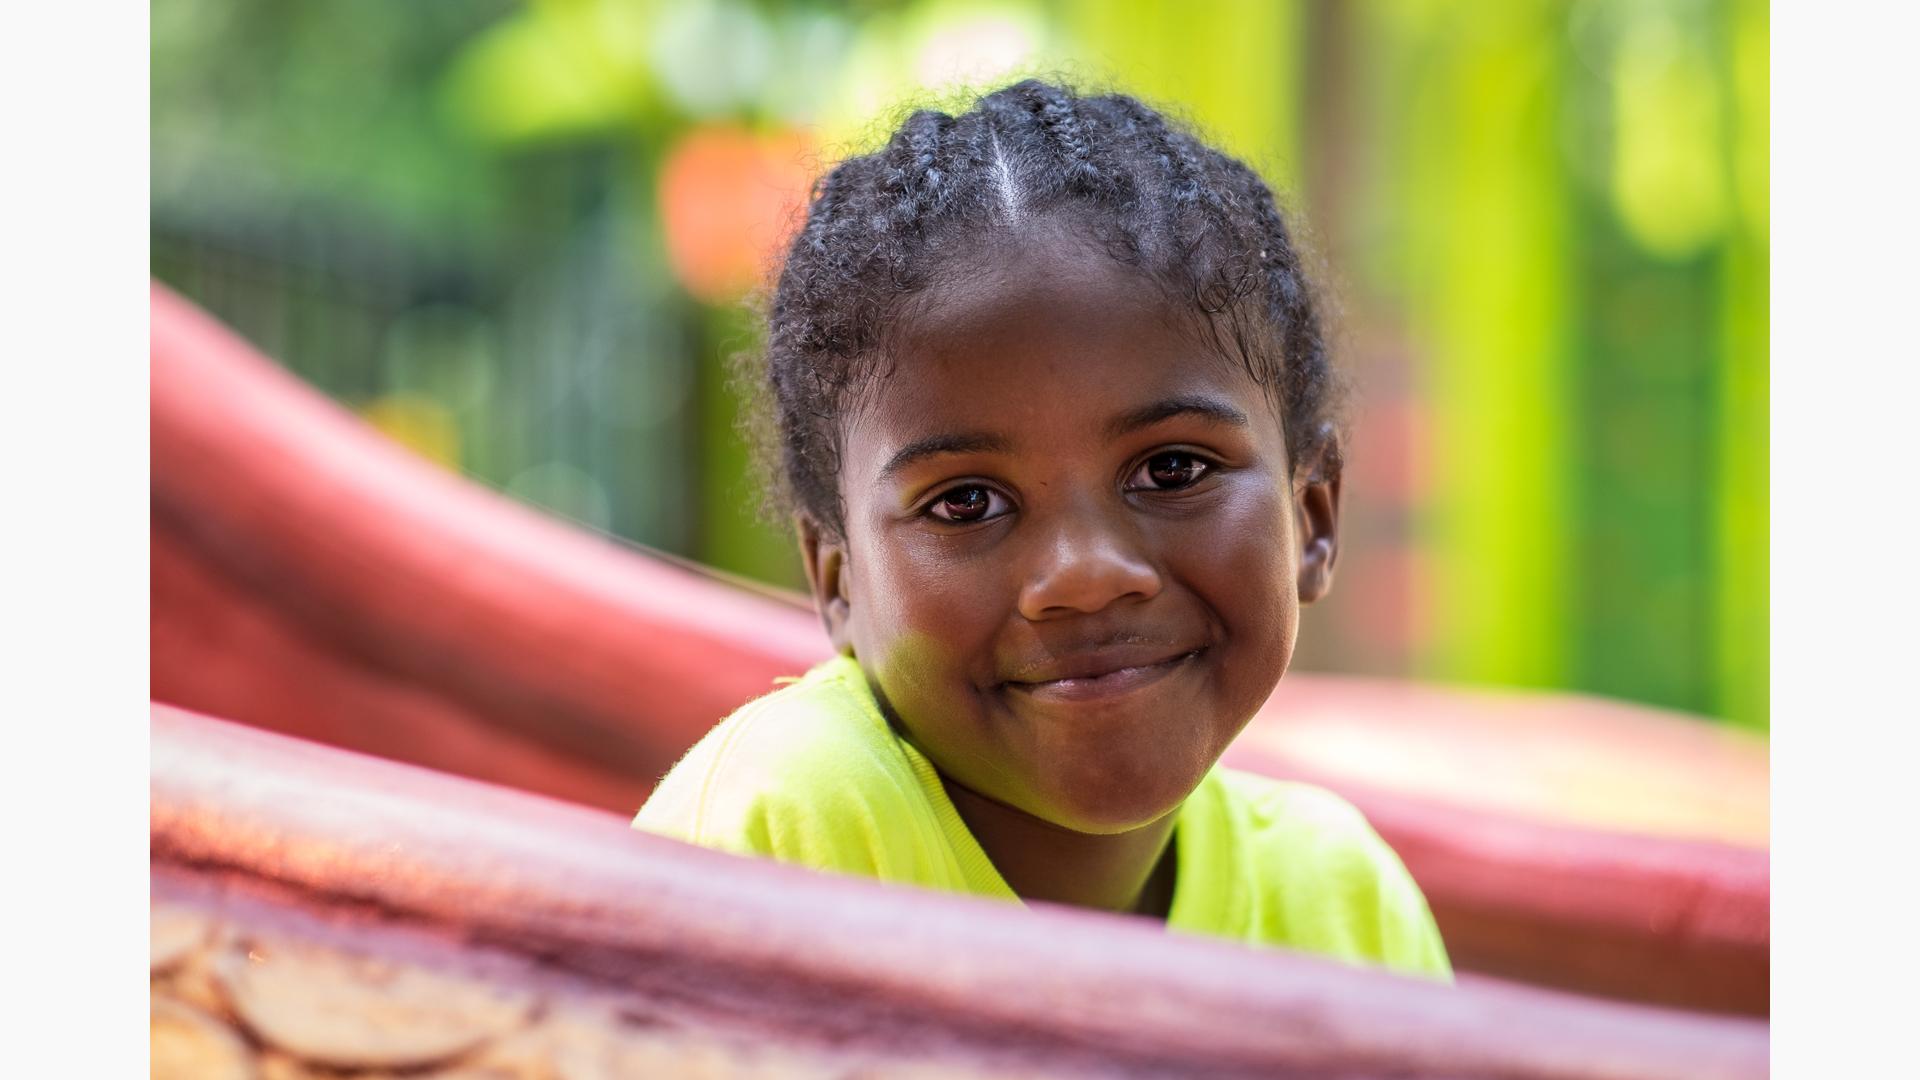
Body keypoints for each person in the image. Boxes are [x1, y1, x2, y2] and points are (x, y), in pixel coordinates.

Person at [634, 80, 1450, 980]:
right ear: (838, 581)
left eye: (1171, 469)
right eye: (966, 503)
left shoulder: (1341, 909)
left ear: (1313, 515)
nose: (1086, 573)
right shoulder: (794, 832)